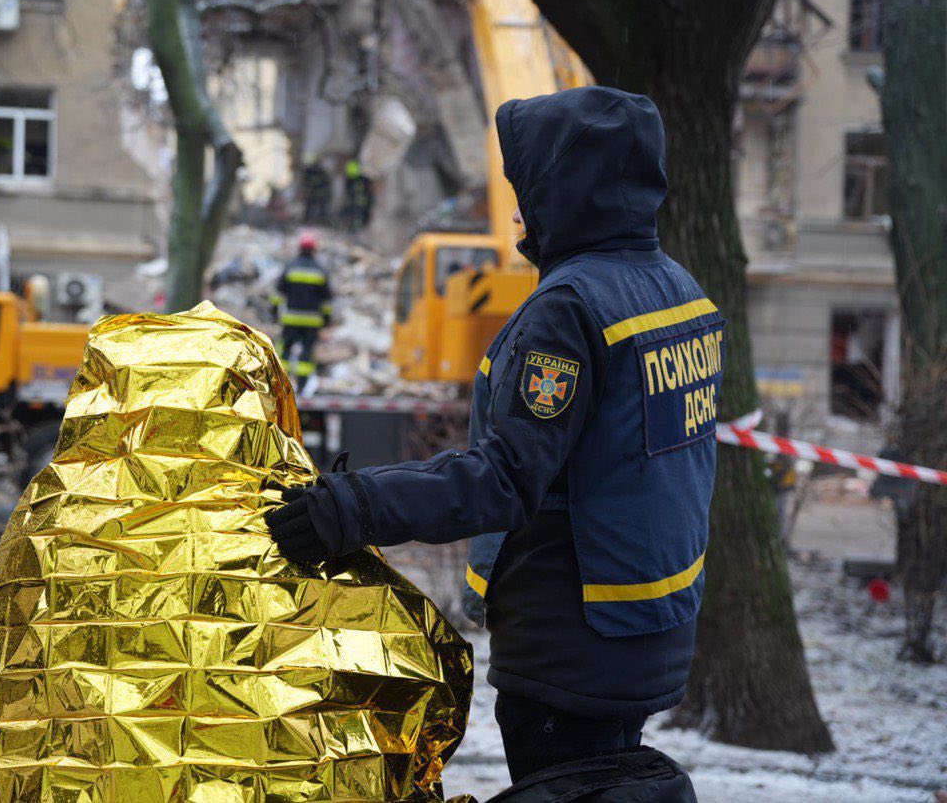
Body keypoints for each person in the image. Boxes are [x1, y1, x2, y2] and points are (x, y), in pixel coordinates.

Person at [266, 86, 722, 796]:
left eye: (529, 190)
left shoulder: (570, 310)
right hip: (646, 627)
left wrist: (352, 507)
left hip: (571, 645)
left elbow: (504, 477)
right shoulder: (676, 290)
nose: (517, 212)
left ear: (567, 191)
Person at [270, 232, 333, 393]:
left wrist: (274, 312)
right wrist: (326, 319)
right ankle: (302, 386)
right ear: (314, 250)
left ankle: (281, 386)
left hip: (291, 319)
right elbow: (327, 300)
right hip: (312, 321)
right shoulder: (320, 271)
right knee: (307, 352)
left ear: (300, 248)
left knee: (285, 350)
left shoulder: (290, 267)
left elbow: (278, 293)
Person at [339, 159, 373, 234]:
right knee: (353, 218)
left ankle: (355, 231)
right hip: (357, 203)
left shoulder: (354, 180)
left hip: (358, 203)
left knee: (357, 219)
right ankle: (353, 230)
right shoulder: (356, 180)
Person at [301, 155, 332, 224]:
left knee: (320, 208)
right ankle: (309, 220)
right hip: (313, 194)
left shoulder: (320, 172)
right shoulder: (310, 172)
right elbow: (306, 182)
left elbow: (325, 183)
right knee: (311, 207)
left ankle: (320, 220)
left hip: (319, 194)